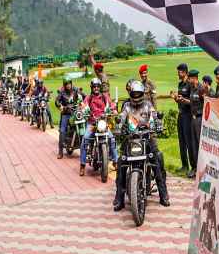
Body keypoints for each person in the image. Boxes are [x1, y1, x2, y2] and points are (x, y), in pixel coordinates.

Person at [114, 80, 170, 210]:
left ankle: (164, 194)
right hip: (130, 139)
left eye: (139, 93)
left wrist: (158, 124)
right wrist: (118, 126)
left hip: (147, 137)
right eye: (134, 93)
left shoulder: (148, 105)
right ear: (131, 93)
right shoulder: (127, 106)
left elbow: (155, 115)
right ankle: (119, 198)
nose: (136, 96)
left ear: (142, 93)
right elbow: (121, 117)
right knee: (121, 163)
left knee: (157, 160)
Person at [79, 78, 117, 176]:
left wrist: (114, 110)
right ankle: (82, 165)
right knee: (85, 139)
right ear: (91, 87)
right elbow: (83, 105)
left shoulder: (105, 97)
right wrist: (83, 110)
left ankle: (115, 161)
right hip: (92, 123)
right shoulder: (89, 97)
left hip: (103, 123)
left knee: (112, 139)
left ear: (99, 87)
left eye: (97, 86)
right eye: (94, 86)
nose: (96, 88)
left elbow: (111, 105)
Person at [180, 69, 204, 178]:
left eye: (189, 78)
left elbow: (205, 103)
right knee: (193, 144)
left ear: (194, 78)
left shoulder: (201, 89)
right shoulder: (193, 89)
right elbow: (192, 102)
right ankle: (194, 168)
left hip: (199, 119)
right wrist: (184, 100)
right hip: (192, 119)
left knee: (199, 144)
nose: (188, 80)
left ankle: (201, 168)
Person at [170, 63, 193, 174]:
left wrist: (183, 99)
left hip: (188, 116)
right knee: (181, 141)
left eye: (179, 72)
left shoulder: (189, 84)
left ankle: (193, 166)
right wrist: (175, 98)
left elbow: (192, 101)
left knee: (189, 142)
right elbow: (180, 100)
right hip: (181, 114)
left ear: (184, 72)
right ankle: (184, 165)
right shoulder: (180, 85)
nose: (178, 74)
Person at [56, 78, 82, 158]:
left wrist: (84, 102)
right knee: (62, 130)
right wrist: (60, 106)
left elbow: (84, 96)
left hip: (75, 112)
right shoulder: (62, 92)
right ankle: (60, 151)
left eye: (69, 83)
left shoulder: (75, 90)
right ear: (64, 85)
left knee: (83, 125)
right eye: (66, 84)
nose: (68, 85)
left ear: (71, 83)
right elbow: (57, 101)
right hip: (66, 113)